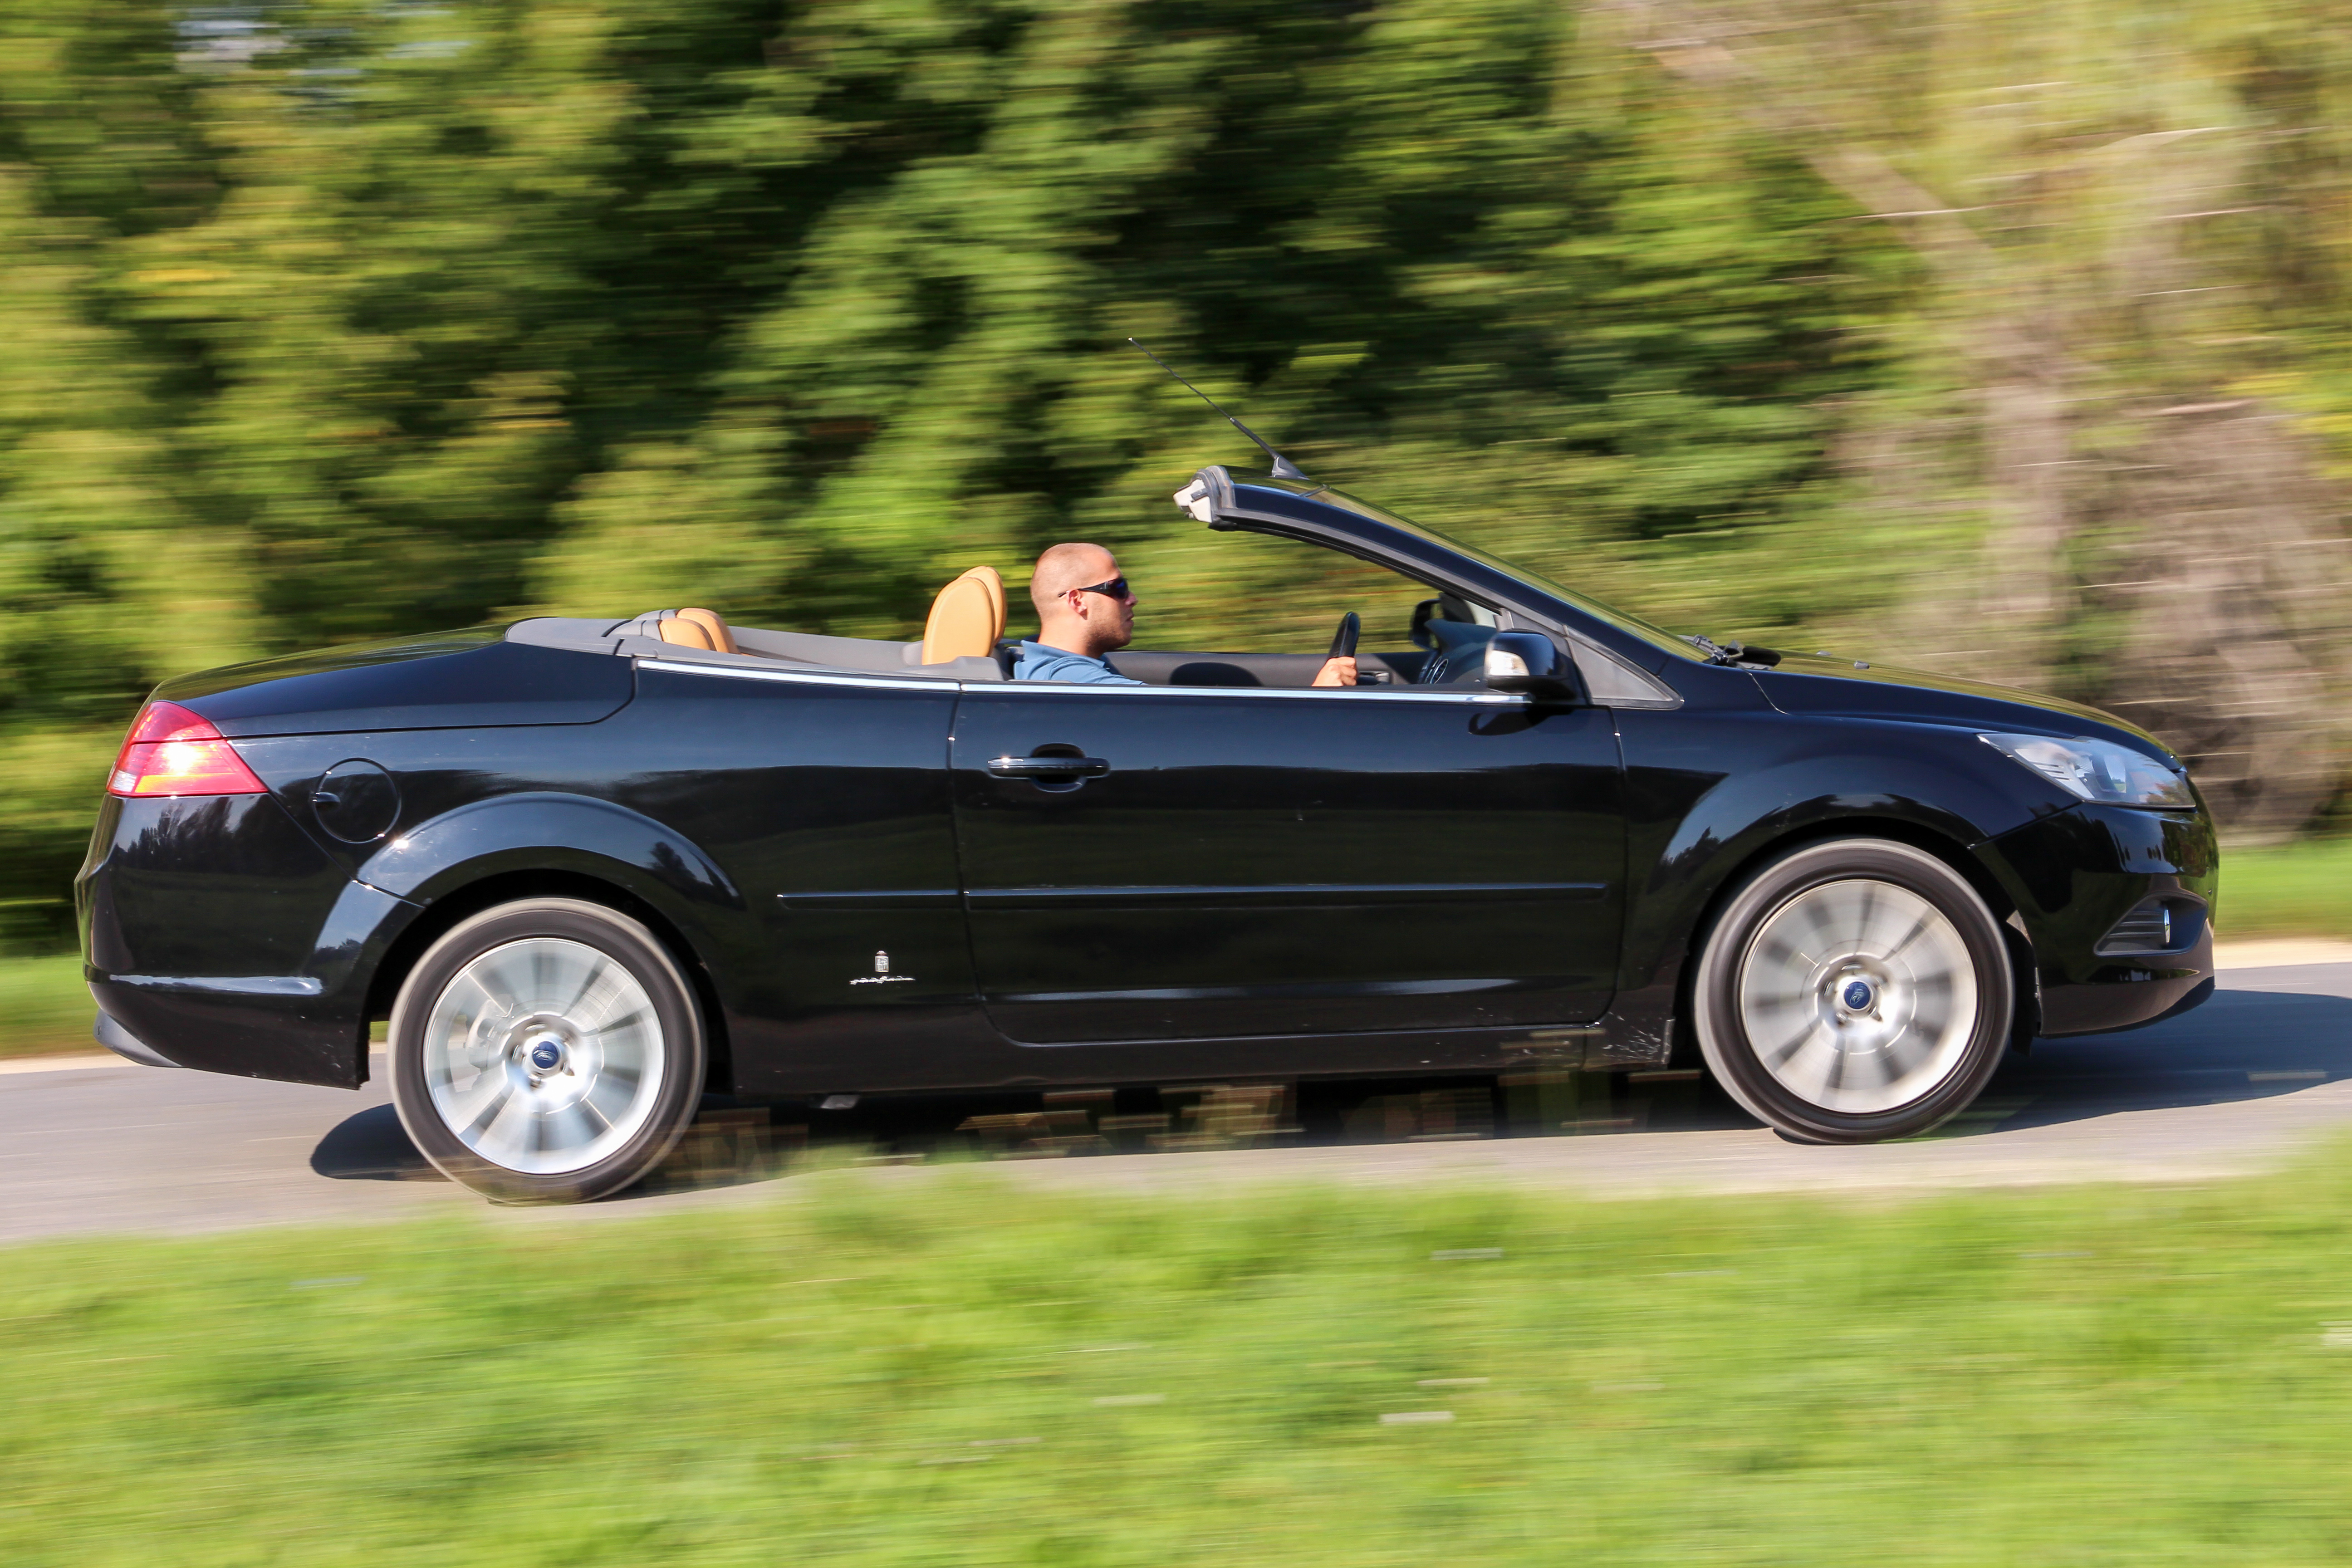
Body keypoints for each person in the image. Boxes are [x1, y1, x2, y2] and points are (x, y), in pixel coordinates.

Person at [1013, 542, 1359, 687]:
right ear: (1077, 601)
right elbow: (1187, 724)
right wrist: (1316, 699)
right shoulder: (1073, 682)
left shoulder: (1060, 667)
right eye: (1119, 588)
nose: (1132, 599)